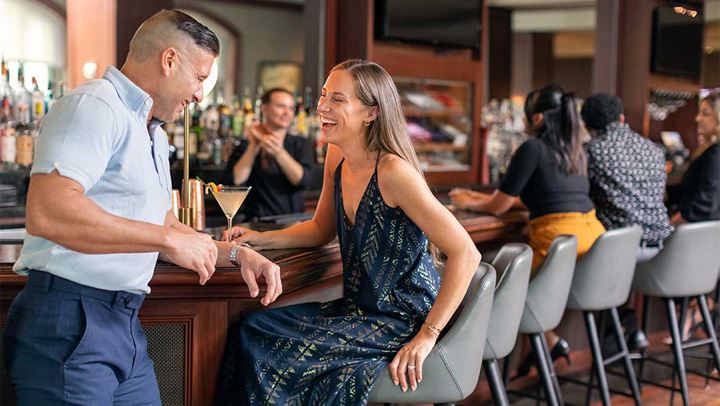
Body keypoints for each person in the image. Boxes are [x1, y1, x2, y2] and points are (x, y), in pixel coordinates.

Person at [3, 10, 281, 405]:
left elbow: (163, 222)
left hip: (124, 323)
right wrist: (166, 239)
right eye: (200, 77)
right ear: (169, 60)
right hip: (70, 318)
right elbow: (48, 211)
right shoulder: (95, 104)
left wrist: (235, 254)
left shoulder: (149, 130)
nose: (200, 95)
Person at [215, 59, 480, 405]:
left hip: (401, 317)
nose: (322, 106)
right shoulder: (336, 156)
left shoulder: (394, 173)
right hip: (359, 311)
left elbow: (466, 252)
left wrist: (427, 336)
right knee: (253, 328)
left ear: (371, 113)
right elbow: (320, 229)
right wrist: (259, 238)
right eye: (323, 96)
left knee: (264, 341)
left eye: (337, 99)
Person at [450, 84, 605, 373]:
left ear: (536, 119)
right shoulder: (576, 150)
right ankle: (550, 341)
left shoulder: (532, 148)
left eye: (525, 117)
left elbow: (500, 207)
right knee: (517, 287)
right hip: (589, 239)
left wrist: (469, 202)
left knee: (493, 286)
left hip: (555, 238)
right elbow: (547, 196)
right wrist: (479, 198)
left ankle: (471, 372)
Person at [581, 93, 673, 262]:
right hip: (663, 250)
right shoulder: (654, 149)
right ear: (621, 118)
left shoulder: (591, 151)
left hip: (621, 251)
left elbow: (580, 196)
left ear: (586, 126)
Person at [221, 88, 314, 220]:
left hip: (292, 223)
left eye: (291, 108)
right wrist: (254, 146)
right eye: (281, 106)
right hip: (255, 224)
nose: (287, 113)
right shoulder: (245, 145)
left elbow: (303, 179)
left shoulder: (300, 144)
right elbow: (234, 182)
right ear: (264, 108)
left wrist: (278, 152)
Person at [669, 93, 720, 224]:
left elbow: (706, 203)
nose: (698, 118)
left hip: (698, 235)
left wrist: (672, 223)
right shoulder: (711, 150)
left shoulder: (716, 152)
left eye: (705, 113)